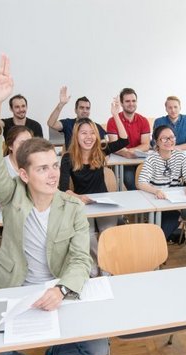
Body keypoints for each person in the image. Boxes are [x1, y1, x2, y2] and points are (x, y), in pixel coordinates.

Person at [0, 55, 108, 355]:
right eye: (43, 169)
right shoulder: (11, 196)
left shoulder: (72, 209)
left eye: (55, 166)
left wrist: (63, 289)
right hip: (16, 289)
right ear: (23, 174)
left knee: (97, 348)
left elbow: (82, 258)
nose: (53, 175)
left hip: (58, 290)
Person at [60, 99, 129, 275]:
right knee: (88, 234)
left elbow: (124, 140)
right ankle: (94, 266)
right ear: (76, 136)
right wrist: (79, 197)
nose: (88, 137)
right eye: (84, 133)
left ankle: (106, 266)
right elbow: (62, 189)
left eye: (92, 133)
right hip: (82, 203)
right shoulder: (68, 158)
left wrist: (115, 115)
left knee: (107, 232)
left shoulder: (100, 151)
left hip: (103, 201)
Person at [137, 125, 186, 240]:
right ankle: (155, 246)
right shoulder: (152, 158)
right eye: (164, 138)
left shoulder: (181, 156)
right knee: (171, 218)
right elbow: (141, 182)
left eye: (171, 138)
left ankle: (155, 247)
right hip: (157, 201)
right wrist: (156, 191)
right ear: (156, 142)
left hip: (174, 202)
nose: (169, 141)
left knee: (173, 217)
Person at [106, 87, 151, 190]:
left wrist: (130, 152)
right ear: (121, 103)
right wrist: (125, 154)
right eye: (127, 101)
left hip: (139, 158)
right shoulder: (113, 121)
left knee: (147, 182)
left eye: (133, 101)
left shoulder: (143, 120)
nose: (131, 104)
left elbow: (146, 144)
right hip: (122, 160)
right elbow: (114, 145)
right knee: (130, 181)